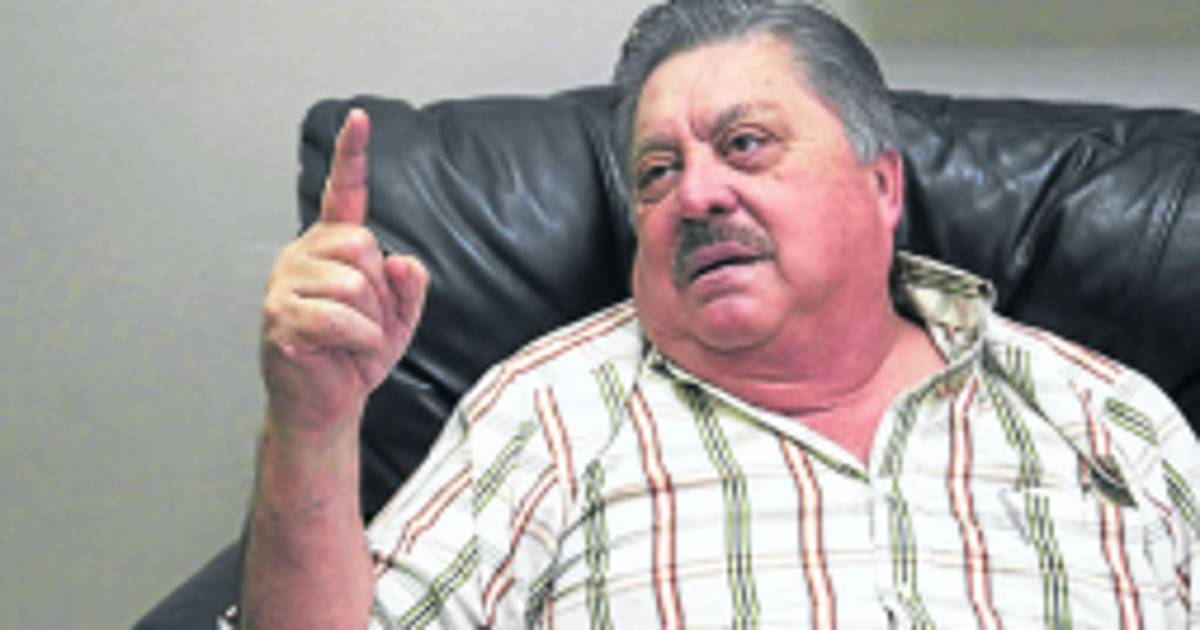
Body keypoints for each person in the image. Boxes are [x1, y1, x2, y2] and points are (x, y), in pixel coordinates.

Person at [238, 0, 1200, 628]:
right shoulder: (550, 410)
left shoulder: (1103, 414)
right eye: (657, 171)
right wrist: (310, 430)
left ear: (881, 184)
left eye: (744, 145)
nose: (695, 195)